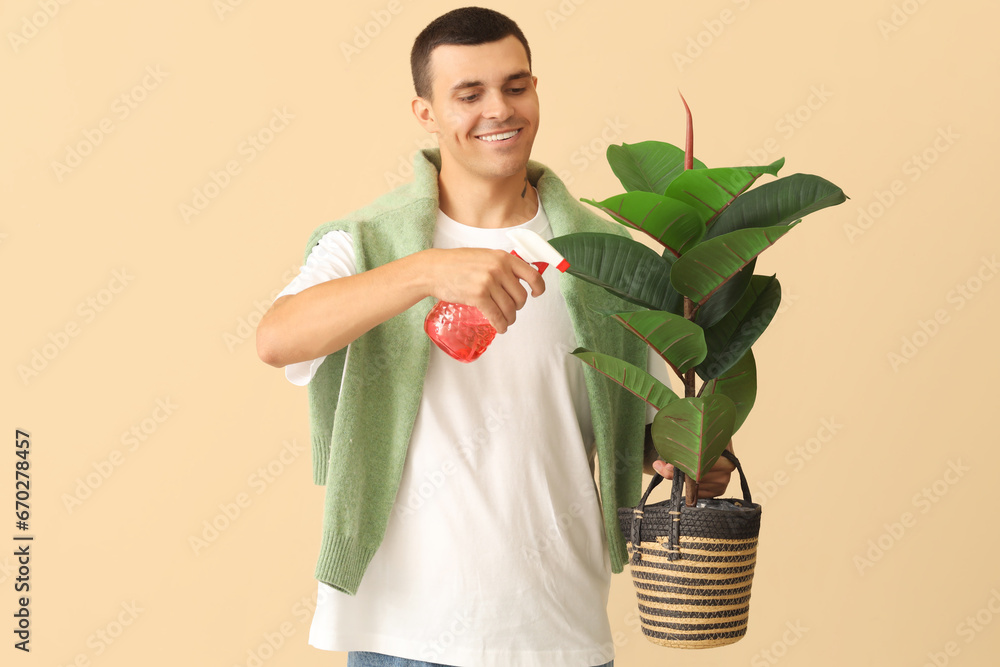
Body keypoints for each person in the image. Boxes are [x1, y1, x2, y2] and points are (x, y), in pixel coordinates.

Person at [256, 7, 734, 667]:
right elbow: (278, 337)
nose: (499, 110)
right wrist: (427, 271)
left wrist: (690, 459)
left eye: (516, 86)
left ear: (536, 89)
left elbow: (651, 424)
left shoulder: (601, 255)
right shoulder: (368, 241)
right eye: (468, 94)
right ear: (425, 112)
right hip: (404, 634)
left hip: (561, 629)